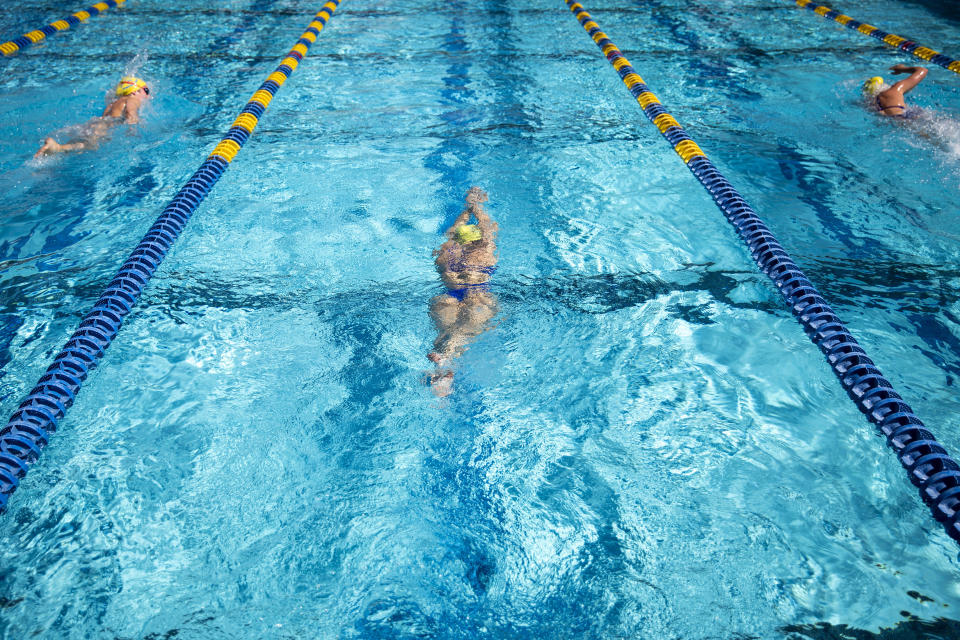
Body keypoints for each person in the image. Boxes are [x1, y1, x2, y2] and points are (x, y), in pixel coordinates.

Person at [427, 187, 499, 397]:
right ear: (478, 240)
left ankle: (442, 363)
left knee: (444, 334)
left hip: (448, 297)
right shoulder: (485, 251)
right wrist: (476, 206)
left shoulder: (446, 250)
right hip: (478, 297)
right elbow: (487, 228)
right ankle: (446, 360)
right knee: (464, 333)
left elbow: (454, 230)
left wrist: (465, 212)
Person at [34, 77, 150, 157]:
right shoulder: (132, 99)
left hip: (94, 123)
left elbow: (106, 118)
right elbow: (131, 111)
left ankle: (57, 148)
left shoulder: (112, 104)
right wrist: (133, 126)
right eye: (146, 90)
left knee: (84, 141)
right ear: (135, 91)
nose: (148, 95)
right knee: (90, 145)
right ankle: (58, 148)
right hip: (103, 126)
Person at [863, 64, 927, 118]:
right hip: (907, 118)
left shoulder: (871, 105)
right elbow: (923, 70)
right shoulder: (893, 90)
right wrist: (902, 69)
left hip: (894, 121)